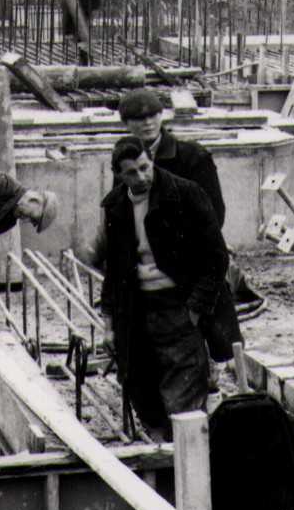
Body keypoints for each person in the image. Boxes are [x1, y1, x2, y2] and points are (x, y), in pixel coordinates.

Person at [94, 134, 241, 439]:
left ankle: (186, 453)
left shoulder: (184, 194)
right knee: (142, 389)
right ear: (119, 174)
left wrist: (195, 310)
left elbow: (216, 258)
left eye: (144, 168)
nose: (141, 177)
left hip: (179, 305)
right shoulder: (116, 206)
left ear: (152, 161)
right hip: (136, 309)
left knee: (183, 399)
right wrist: (108, 324)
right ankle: (163, 453)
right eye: (131, 172)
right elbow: (114, 272)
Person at [119, 86, 261, 314]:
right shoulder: (124, 161)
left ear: (161, 116)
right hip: (144, 257)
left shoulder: (193, 157)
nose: (147, 123)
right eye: (139, 118)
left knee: (210, 320)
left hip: (189, 255)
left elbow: (215, 213)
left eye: (152, 115)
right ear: (126, 123)